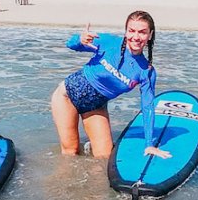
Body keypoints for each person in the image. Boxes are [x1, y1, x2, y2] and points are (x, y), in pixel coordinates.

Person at [49, 11, 170, 161]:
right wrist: (80, 40)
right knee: (71, 151)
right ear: (126, 31)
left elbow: (147, 106)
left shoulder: (146, 71)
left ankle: (89, 148)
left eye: (142, 32)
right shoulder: (109, 43)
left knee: (104, 158)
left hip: (95, 106)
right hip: (67, 97)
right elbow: (71, 45)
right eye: (131, 31)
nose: (136, 37)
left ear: (150, 35)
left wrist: (149, 144)